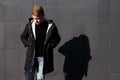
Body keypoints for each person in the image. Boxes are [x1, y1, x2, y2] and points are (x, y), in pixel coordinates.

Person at [20, 4, 61, 80]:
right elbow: (22, 37)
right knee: (29, 78)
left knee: (40, 78)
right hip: (31, 57)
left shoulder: (51, 26)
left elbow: (57, 38)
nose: (37, 20)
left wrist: (51, 45)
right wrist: (29, 44)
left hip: (43, 58)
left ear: (43, 15)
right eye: (35, 18)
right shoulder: (29, 25)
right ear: (32, 16)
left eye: (39, 18)